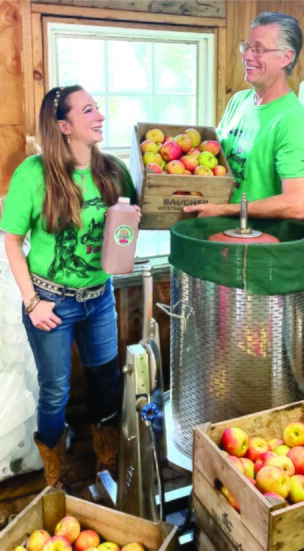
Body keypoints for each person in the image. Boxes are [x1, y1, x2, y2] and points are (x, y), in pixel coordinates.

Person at [0, 84, 141, 490]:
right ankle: (54, 480)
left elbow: (130, 224)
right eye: (88, 110)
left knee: (107, 383)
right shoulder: (34, 173)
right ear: (63, 126)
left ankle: (106, 464)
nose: (100, 116)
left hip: (98, 299)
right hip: (49, 301)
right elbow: (11, 240)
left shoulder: (114, 170)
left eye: (98, 108)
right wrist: (32, 303)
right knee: (55, 391)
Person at [184, 12, 304, 220]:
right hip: (222, 235)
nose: (246, 56)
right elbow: (218, 160)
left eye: (258, 49)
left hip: (258, 244)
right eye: (246, 47)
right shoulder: (239, 101)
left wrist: (223, 210)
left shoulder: (292, 118)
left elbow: (295, 204)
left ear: (286, 57)